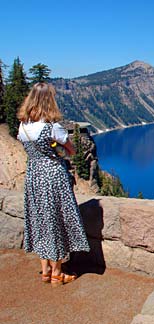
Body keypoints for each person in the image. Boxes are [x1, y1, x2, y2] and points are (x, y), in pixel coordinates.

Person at [17, 82, 90, 287]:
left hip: (33, 174)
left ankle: (46, 270)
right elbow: (72, 150)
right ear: (50, 101)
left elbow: (28, 148)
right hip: (52, 176)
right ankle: (58, 273)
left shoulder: (23, 126)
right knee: (55, 220)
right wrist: (56, 147)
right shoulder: (52, 127)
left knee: (40, 220)